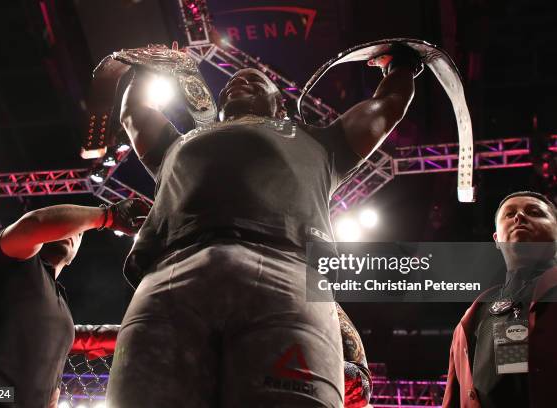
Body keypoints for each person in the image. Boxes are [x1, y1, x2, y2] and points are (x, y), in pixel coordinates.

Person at [107, 44, 421, 407]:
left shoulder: (322, 142)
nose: (238, 83)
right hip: (172, 272)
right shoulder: (175, 144)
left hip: (286, 273)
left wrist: (402, 64)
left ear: (280, 104)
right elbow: (133, 113)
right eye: (230, 85)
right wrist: (147, 67)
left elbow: (387, 107)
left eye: (254, 81)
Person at [0, 199, 149, 408]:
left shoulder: (63, 309)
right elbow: (34, 224)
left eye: (77, 232)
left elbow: (48, 386)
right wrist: (108, 216)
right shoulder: (10, 262)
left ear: (75, 253)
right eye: (66, 225)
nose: (70, 233)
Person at [443, 191, 557, 408]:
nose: (520, 217)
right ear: (496, 239)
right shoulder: (472, 318)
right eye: (510, 213)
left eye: (534, 212)